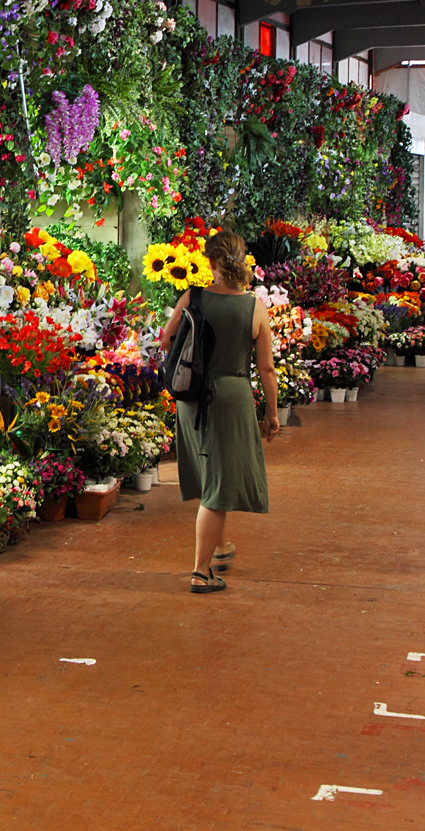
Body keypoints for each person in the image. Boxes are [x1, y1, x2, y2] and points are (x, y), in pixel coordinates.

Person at [157, 229, 278, 594]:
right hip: (230, 396)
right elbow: (267, 369)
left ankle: (221, 545)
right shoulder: (253, 307)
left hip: (191, 394)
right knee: (220, 485)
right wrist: (271, 414)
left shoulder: (191, 296)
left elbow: (166, 340)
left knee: (212, 473)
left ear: (210, 263)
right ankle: (200, 571)